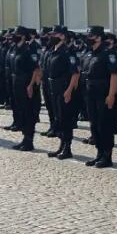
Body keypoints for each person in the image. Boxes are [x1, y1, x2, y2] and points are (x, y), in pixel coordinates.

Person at [81, 26, 117, 168]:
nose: (88, 39)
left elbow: (114, 75)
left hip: (103, 93)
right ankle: (99, 153)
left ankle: (107, 156)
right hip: (90, 92)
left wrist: (111, 95)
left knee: (105, 125)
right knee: (94, 124)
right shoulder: (89, 53)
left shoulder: (108, 53)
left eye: (91, 36)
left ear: (98, 37)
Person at [44, 26, 80, 158]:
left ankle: (67, 148)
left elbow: (75, 74)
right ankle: (61, 145)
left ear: (63, 36)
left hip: (63, 89)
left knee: (65, 119)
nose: (52, 37)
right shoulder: (53, 51)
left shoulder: (67, 52)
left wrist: (69, 91)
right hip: (53, 88)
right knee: (58, 119)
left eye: (55, 34)